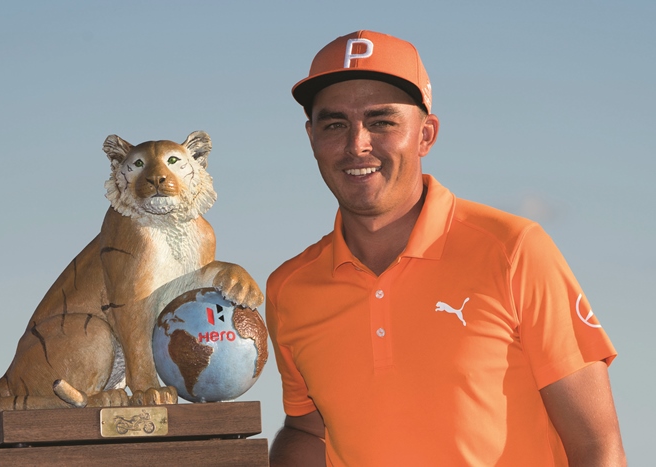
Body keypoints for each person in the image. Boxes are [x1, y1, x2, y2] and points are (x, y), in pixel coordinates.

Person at [266, 30, 626, 466]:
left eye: (382, 122)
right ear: (311, 137)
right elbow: (308, 428)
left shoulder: (515, 250)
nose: (357, 144)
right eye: (335, 123)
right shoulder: (289, 288)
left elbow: (596, 447)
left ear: (426, 135)